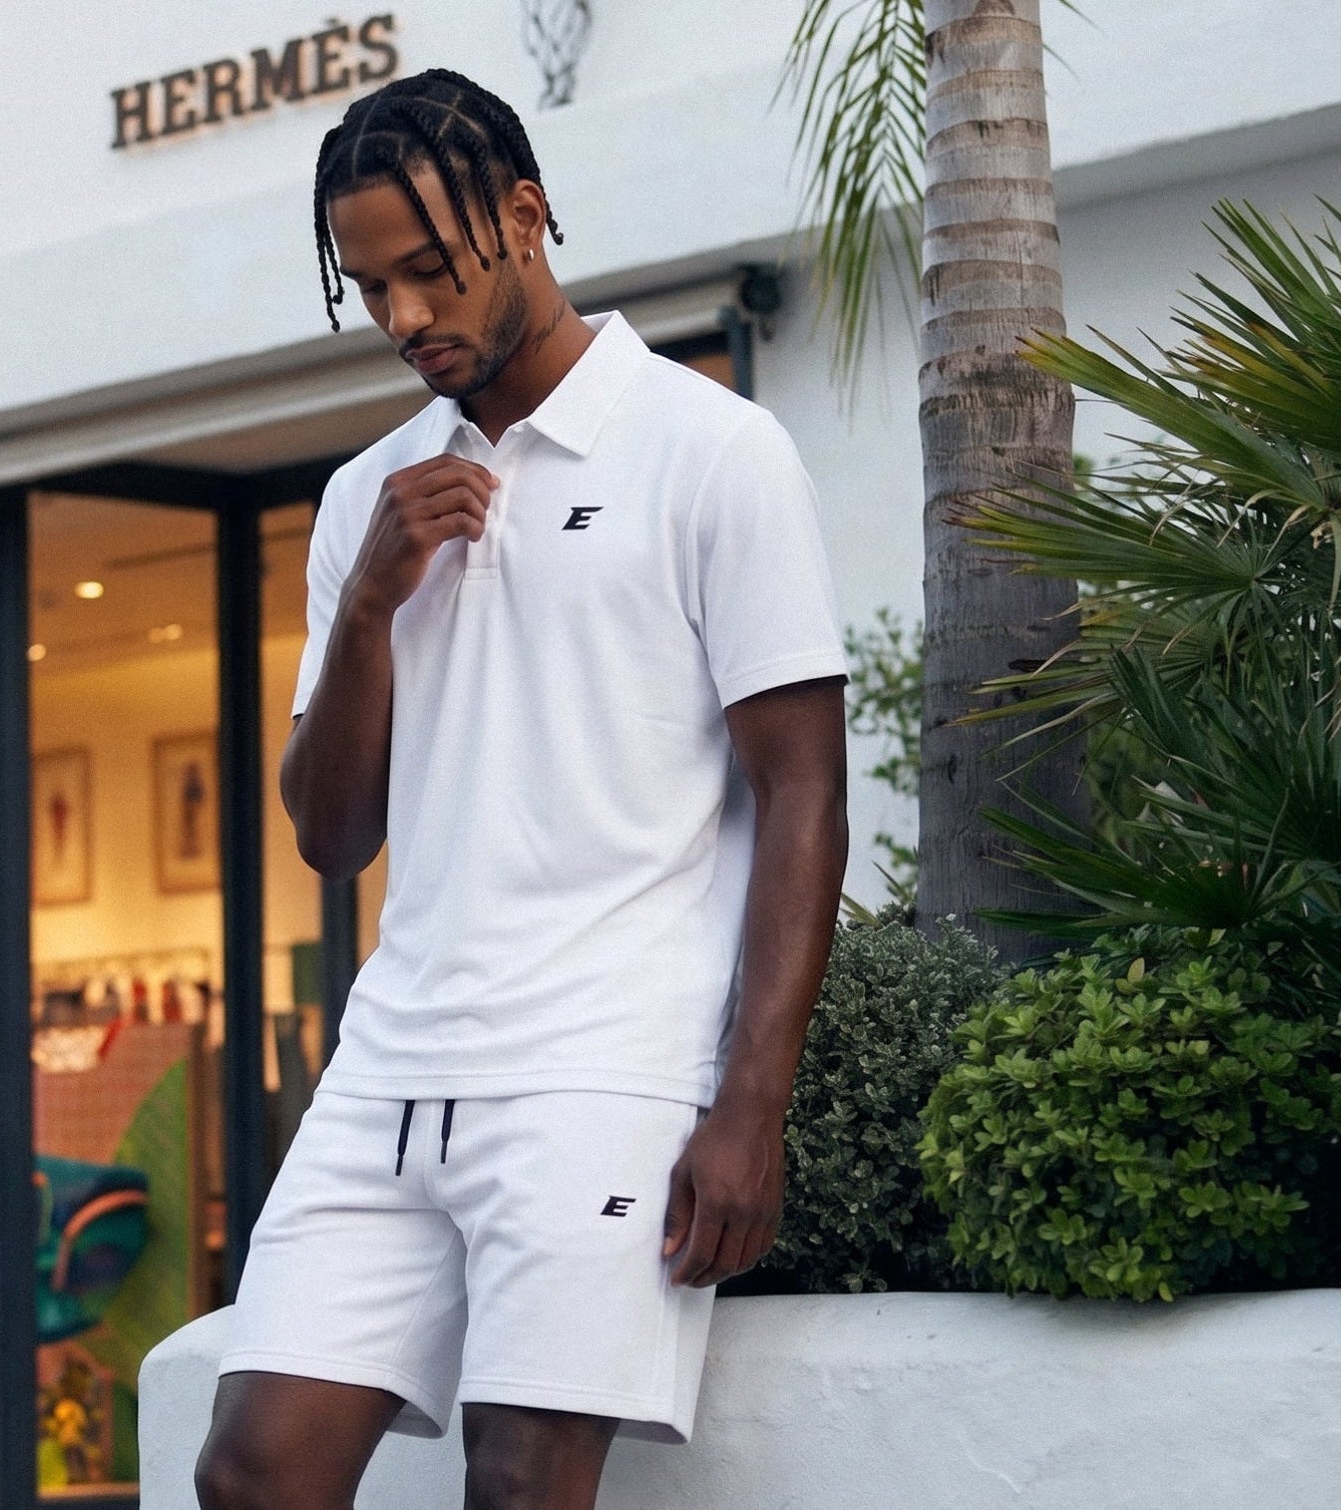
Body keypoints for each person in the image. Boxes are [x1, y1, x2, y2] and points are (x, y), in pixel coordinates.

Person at [195, 68, 848, 1510]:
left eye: (431, 268)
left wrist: (754, 1103)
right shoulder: (368, 496)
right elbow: (327, 829)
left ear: (527, 215)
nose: (407, 316)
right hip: (394, 1063)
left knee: (520, 1485)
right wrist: (372, 599)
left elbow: (803, 792)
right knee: (252, 1473)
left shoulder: (712, 452)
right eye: (371, 286)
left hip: (605, 1061)